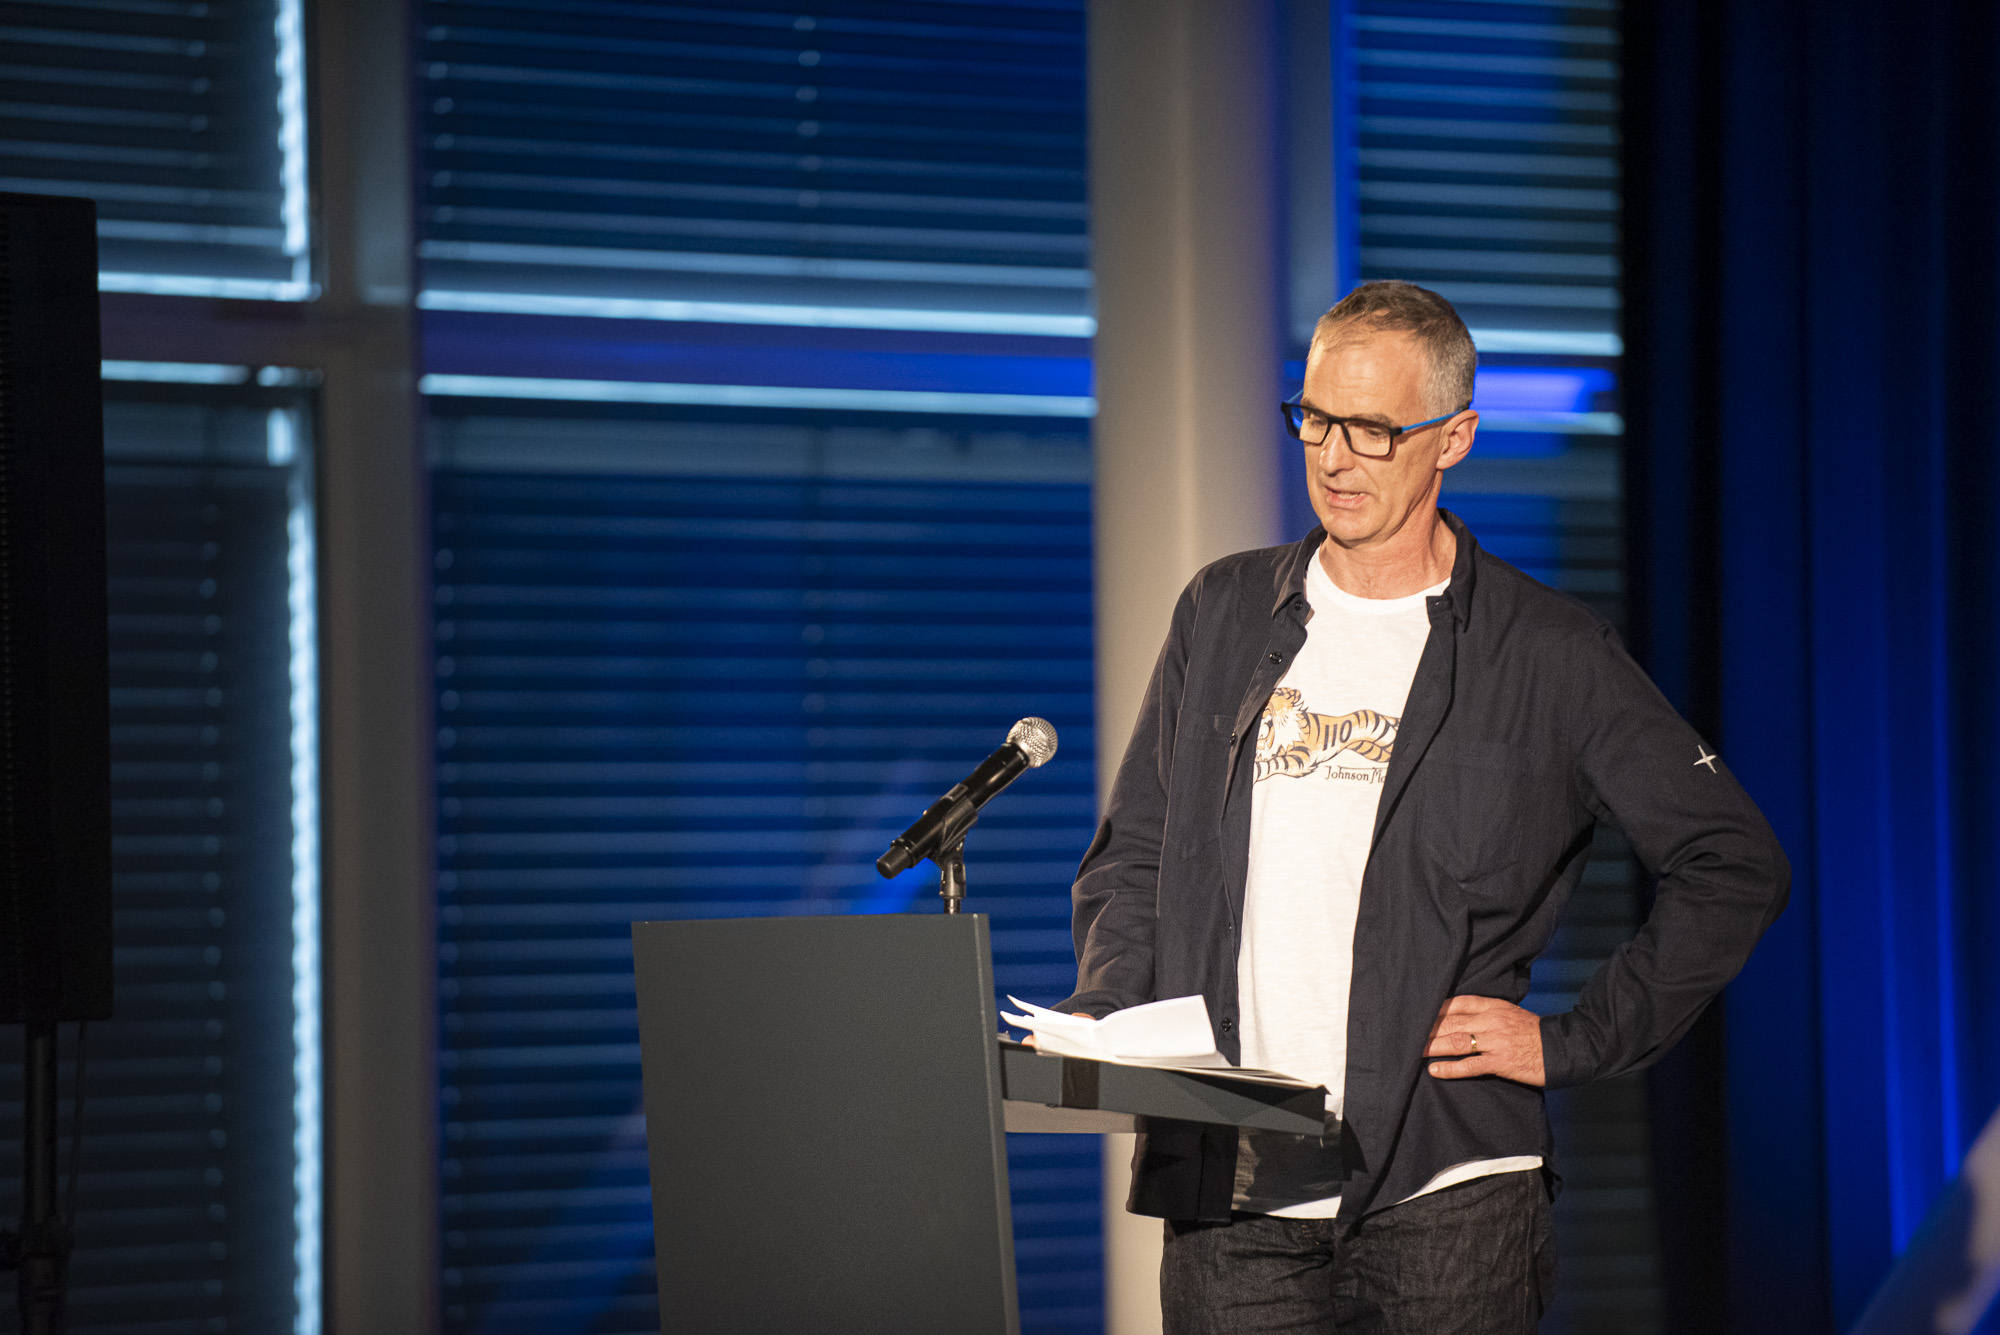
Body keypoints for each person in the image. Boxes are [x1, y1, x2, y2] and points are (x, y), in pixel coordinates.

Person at [1048, 281, 1789, 1333]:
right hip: (1232, 1180)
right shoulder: (1223, 608)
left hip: (1448, 1194)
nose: (1333, 457)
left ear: (1454, 438)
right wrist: (1112, 1014)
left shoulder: (1547, 652)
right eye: (1314, 419)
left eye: (1373, 429)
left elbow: (1732, 862)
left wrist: (1572, 1040)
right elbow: (1138, 852)